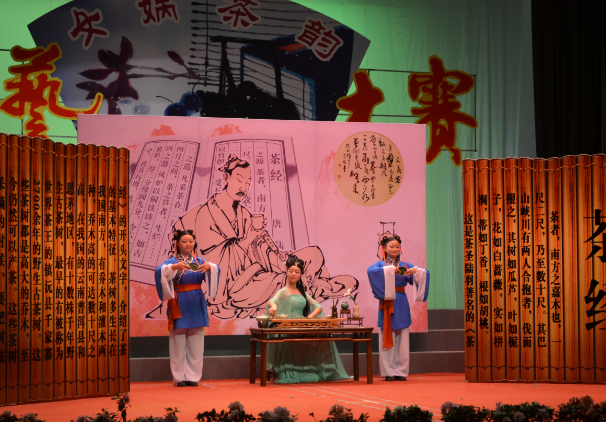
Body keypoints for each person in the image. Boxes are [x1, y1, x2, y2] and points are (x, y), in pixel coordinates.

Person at [171, 153, 358, 319]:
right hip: (238, 285)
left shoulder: (244, 214)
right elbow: (216, 261)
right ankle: (312, 286)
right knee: (282, 282)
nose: (244, 187)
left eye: (247, 182)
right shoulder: (207, 214)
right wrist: (252, 235)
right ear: (226, 178)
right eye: (239, 180)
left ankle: (308, 284)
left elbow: (261, 250)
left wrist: (281, 257)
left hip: (259, 270)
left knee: (313, 253)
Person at [265, 255, 350, 384]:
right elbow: (272, 301)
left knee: (324, 337)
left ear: (301, 274)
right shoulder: (283, 292)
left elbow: (318, 307)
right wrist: (274, 306)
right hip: (289, 325)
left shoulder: (302, 293)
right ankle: (293, 369)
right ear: (286, 272)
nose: (293, 274)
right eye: (291, 271)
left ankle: (319, 369)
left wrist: (309, 318)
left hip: (301, 324)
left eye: (297, 272)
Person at [155, 229, 220, 387]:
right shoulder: (171, 262)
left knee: (196, 340)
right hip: (179, 302)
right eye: (184, 241)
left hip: (196, 302)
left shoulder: (198, 261)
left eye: (191, 241)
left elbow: (215, 269)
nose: (188, 244)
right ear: (177, 243)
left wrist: (210, 267)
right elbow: (159, 272)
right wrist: (174, 267)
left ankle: (193, 377)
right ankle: (178, 377)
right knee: (177, 341)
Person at [367, 234, 429, 381]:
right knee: (387, 335)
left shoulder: (405, 265)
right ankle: (388, 371)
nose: (394, 249)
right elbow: (371, 272)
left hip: (401, 301)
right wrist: (390, 271)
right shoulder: (379, 265)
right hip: (387, 302)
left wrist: (416, 271)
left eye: (397, 246)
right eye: (391, 246)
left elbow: (423, 273)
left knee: (402, 337)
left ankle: (400, 371)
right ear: (384, 248)